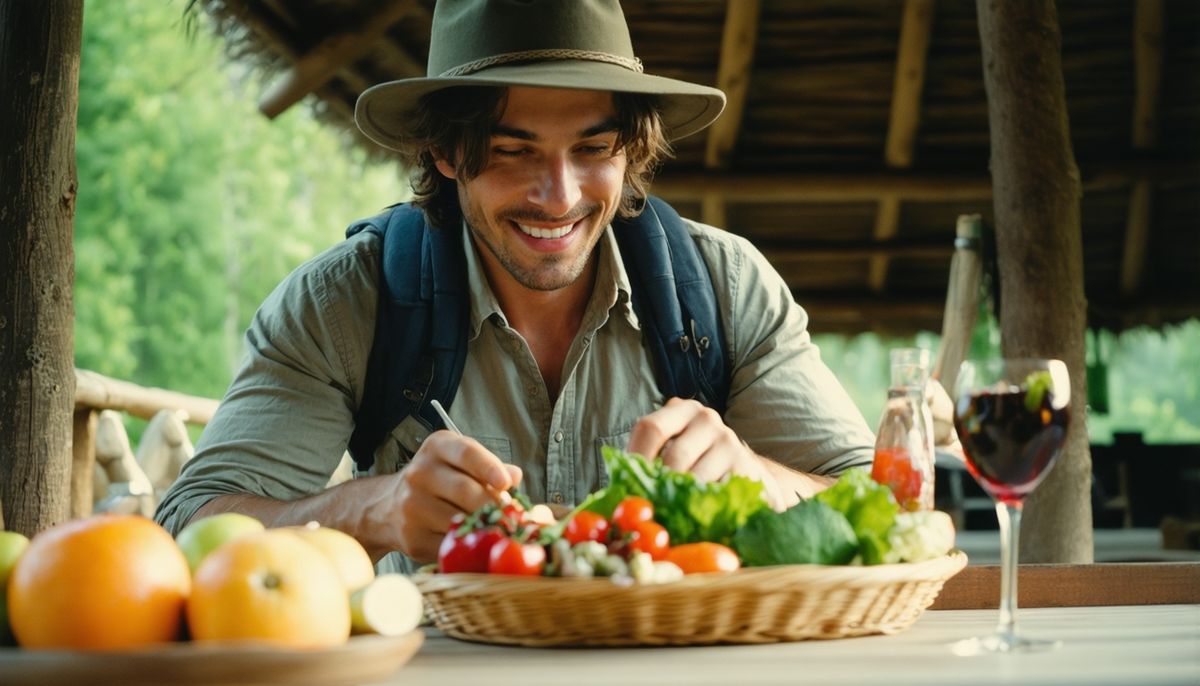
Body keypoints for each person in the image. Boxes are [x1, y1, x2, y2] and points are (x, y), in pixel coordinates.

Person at [155, 0, 877, 572]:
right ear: (443, 151)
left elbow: (884, 506)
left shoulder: (725, 287)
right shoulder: (344, 302)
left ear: (632, 149)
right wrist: (374, 509)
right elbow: (189, 526)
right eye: (512, 151)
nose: (558, 196)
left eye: (593, 149)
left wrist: (756, 477)